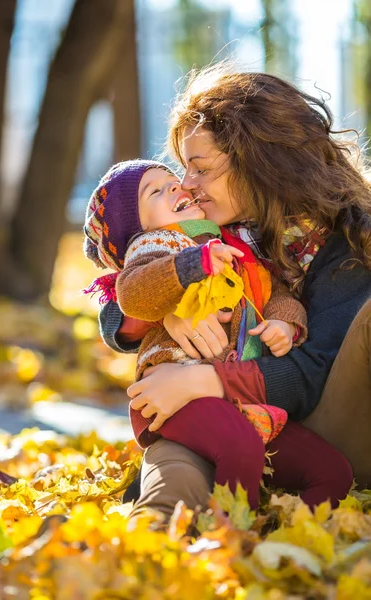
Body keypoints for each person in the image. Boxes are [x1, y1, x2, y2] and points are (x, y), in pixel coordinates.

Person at [98, 67, 371, 519]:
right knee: (176, 467)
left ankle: (261, 532)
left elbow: (312, 374)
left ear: (259, 160)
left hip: (320, 425)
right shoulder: (227, 227)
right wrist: (169, 309)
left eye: (200, 168)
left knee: (242, 447)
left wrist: (197, 381)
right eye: (183, 168)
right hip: (233, 415)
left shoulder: (344, 242)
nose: (185, 184)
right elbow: (117, 300)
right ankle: (161, 536)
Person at [84, 160, 347, 510]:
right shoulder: (155, 244)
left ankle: (292, 541)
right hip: (175, 396)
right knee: (240, 448)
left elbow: (273, 291)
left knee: (332, 472)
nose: (176, 187)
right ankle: (229, 538)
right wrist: (195, 265)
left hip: (242, 398)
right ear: (136, 226)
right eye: (155, 192)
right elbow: (133, 292)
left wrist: (285, 322)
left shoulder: (235, 242)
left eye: (171, 180)